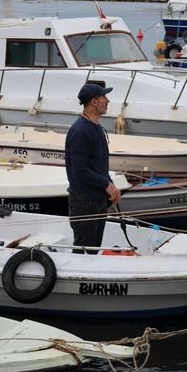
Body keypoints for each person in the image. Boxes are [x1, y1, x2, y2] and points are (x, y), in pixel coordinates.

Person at [65, 81, 121, 254]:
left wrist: (111, 185)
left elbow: (98, 165)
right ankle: (76, 280)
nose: (108, 101)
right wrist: (106, 184)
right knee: (84, 251)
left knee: (93, 250)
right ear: (94, 102)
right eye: (104, 96)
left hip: (97, 199)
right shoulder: (80, 131)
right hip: (84, 202)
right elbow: (79, 171)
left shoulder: (96, 128)